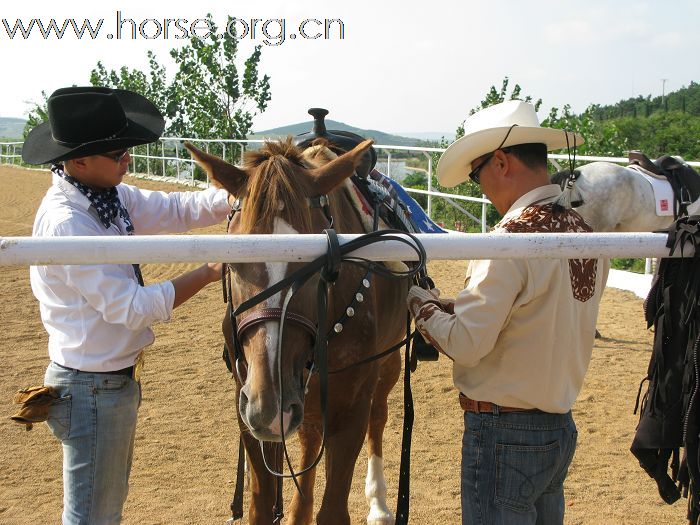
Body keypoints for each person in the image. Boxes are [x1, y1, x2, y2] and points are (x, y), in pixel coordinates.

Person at [21, 86, 233, 524]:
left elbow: (176, 208)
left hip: (102, 383)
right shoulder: (69, 223)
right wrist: (209, 271)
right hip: (92, 387)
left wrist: (241, 194)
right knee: (93, 516)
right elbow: (131, 307)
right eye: (117, 154)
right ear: (78, 161)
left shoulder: (103, 196)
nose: (127, 161)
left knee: (100, 509)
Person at [407, 100, 610, 524]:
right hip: (557, 428)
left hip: (503, 434)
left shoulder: (508, 240)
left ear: (500, 162)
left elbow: (467, 343)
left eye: (477, 173)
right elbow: (532, 313)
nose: (480, 187)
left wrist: (419, 303)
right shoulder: (585, 233)